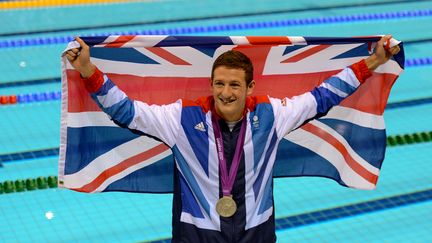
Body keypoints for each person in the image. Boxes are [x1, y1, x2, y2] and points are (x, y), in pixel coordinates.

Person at [66, 35, 400, 242]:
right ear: (211, 84)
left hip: (256, 232)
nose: (226, 93)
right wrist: (87, 70)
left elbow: (324, 95)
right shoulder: (182, 119)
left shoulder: (272, 115)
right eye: (220, 84)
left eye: (235, 85)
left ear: (249, 88)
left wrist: (374, 61)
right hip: (197, 234)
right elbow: (127, 111)